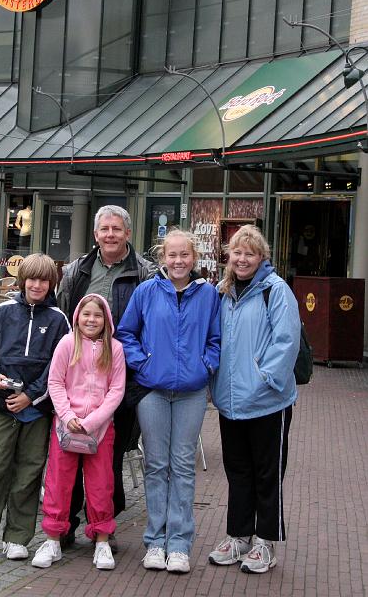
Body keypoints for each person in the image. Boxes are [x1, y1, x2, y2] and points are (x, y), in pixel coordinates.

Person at [116, 229, 221, 574]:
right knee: (157, 465)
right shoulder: (146, 291)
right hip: (153, 391)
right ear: (163, 258)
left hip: (191, 393)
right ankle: (155, 542)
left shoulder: (207, 295)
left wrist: (206, 364)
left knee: (183, 466)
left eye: (184, 255)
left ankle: (179, 544)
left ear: (194, 258)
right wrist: (142, 362)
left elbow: (216, 338)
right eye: (172, 255)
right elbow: (126, 333)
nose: (178, 261)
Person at [0, 253, 70, 563]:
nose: (37, 285)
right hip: (2, 407)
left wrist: (32, 395)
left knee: (29, 474)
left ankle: (18, 537)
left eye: (44, 280)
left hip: (37, 411)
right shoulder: (2, 312)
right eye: (32, 279)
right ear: (22, 281)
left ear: (51, 284)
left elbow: (59, 368)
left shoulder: (59, 320)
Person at [56, 205, 155, 546]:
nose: (110, 234)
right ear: (95, 234)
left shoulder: (145, 272)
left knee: (108, 459)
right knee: (68, 456)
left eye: (117, 229)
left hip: (120, 382)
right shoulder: (77, 271)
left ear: (128, 233)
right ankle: (64, 525)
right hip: (76, 382)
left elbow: (150, 324)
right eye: (104, 229)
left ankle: (103, 527)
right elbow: (62, 315)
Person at [209, 224, 300, 574]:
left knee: (267, 473)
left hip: (267, 401)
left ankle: (265, 541)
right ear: (228, 257)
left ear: (261, 257)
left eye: (250, 253)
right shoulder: (223, 292)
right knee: (238, 472)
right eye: (237, 252)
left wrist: (266, 380)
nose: (243, 259)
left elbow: (286, 340)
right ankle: (238, 535)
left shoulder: (275, 290)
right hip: (231, 402)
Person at [32, 294, 126, 571]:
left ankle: (102, 541)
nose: (91, 320)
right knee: (58, 483)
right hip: (66, 428)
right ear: (77, 317)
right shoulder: (66, 343)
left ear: (106, 319)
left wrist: (94, 421)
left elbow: (116, 390)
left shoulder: (115, 349)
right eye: (86, 315)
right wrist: (68, 415)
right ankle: (52, 539)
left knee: (101, 485)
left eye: (97, 315)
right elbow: (55, 382)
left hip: (99, 430)